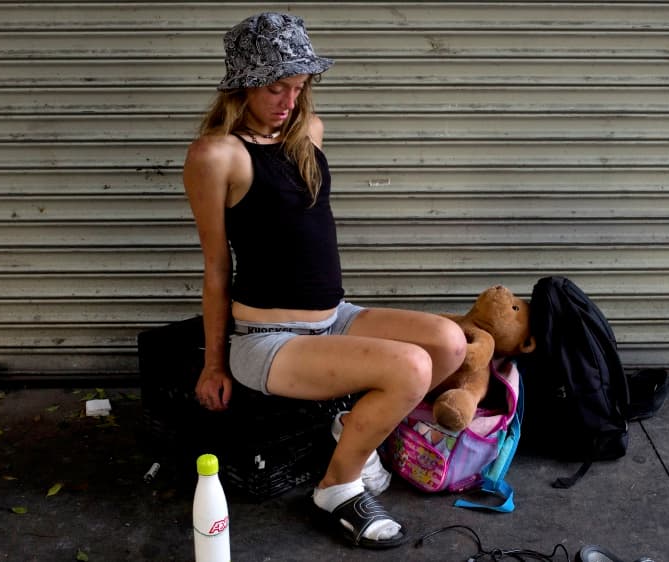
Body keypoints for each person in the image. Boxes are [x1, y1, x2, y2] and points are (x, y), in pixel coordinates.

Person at [182, 12, 467, 549]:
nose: (289, 100)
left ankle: (351, 431)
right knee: (411, 366)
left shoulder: (307, 133)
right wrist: (213, 363)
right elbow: (217, 266)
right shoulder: (216, 154)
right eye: (275, 87)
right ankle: (338, 486)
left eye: (298, 86)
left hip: (336, 317)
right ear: (243, 84)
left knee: (450, 343)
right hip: (269, 341)